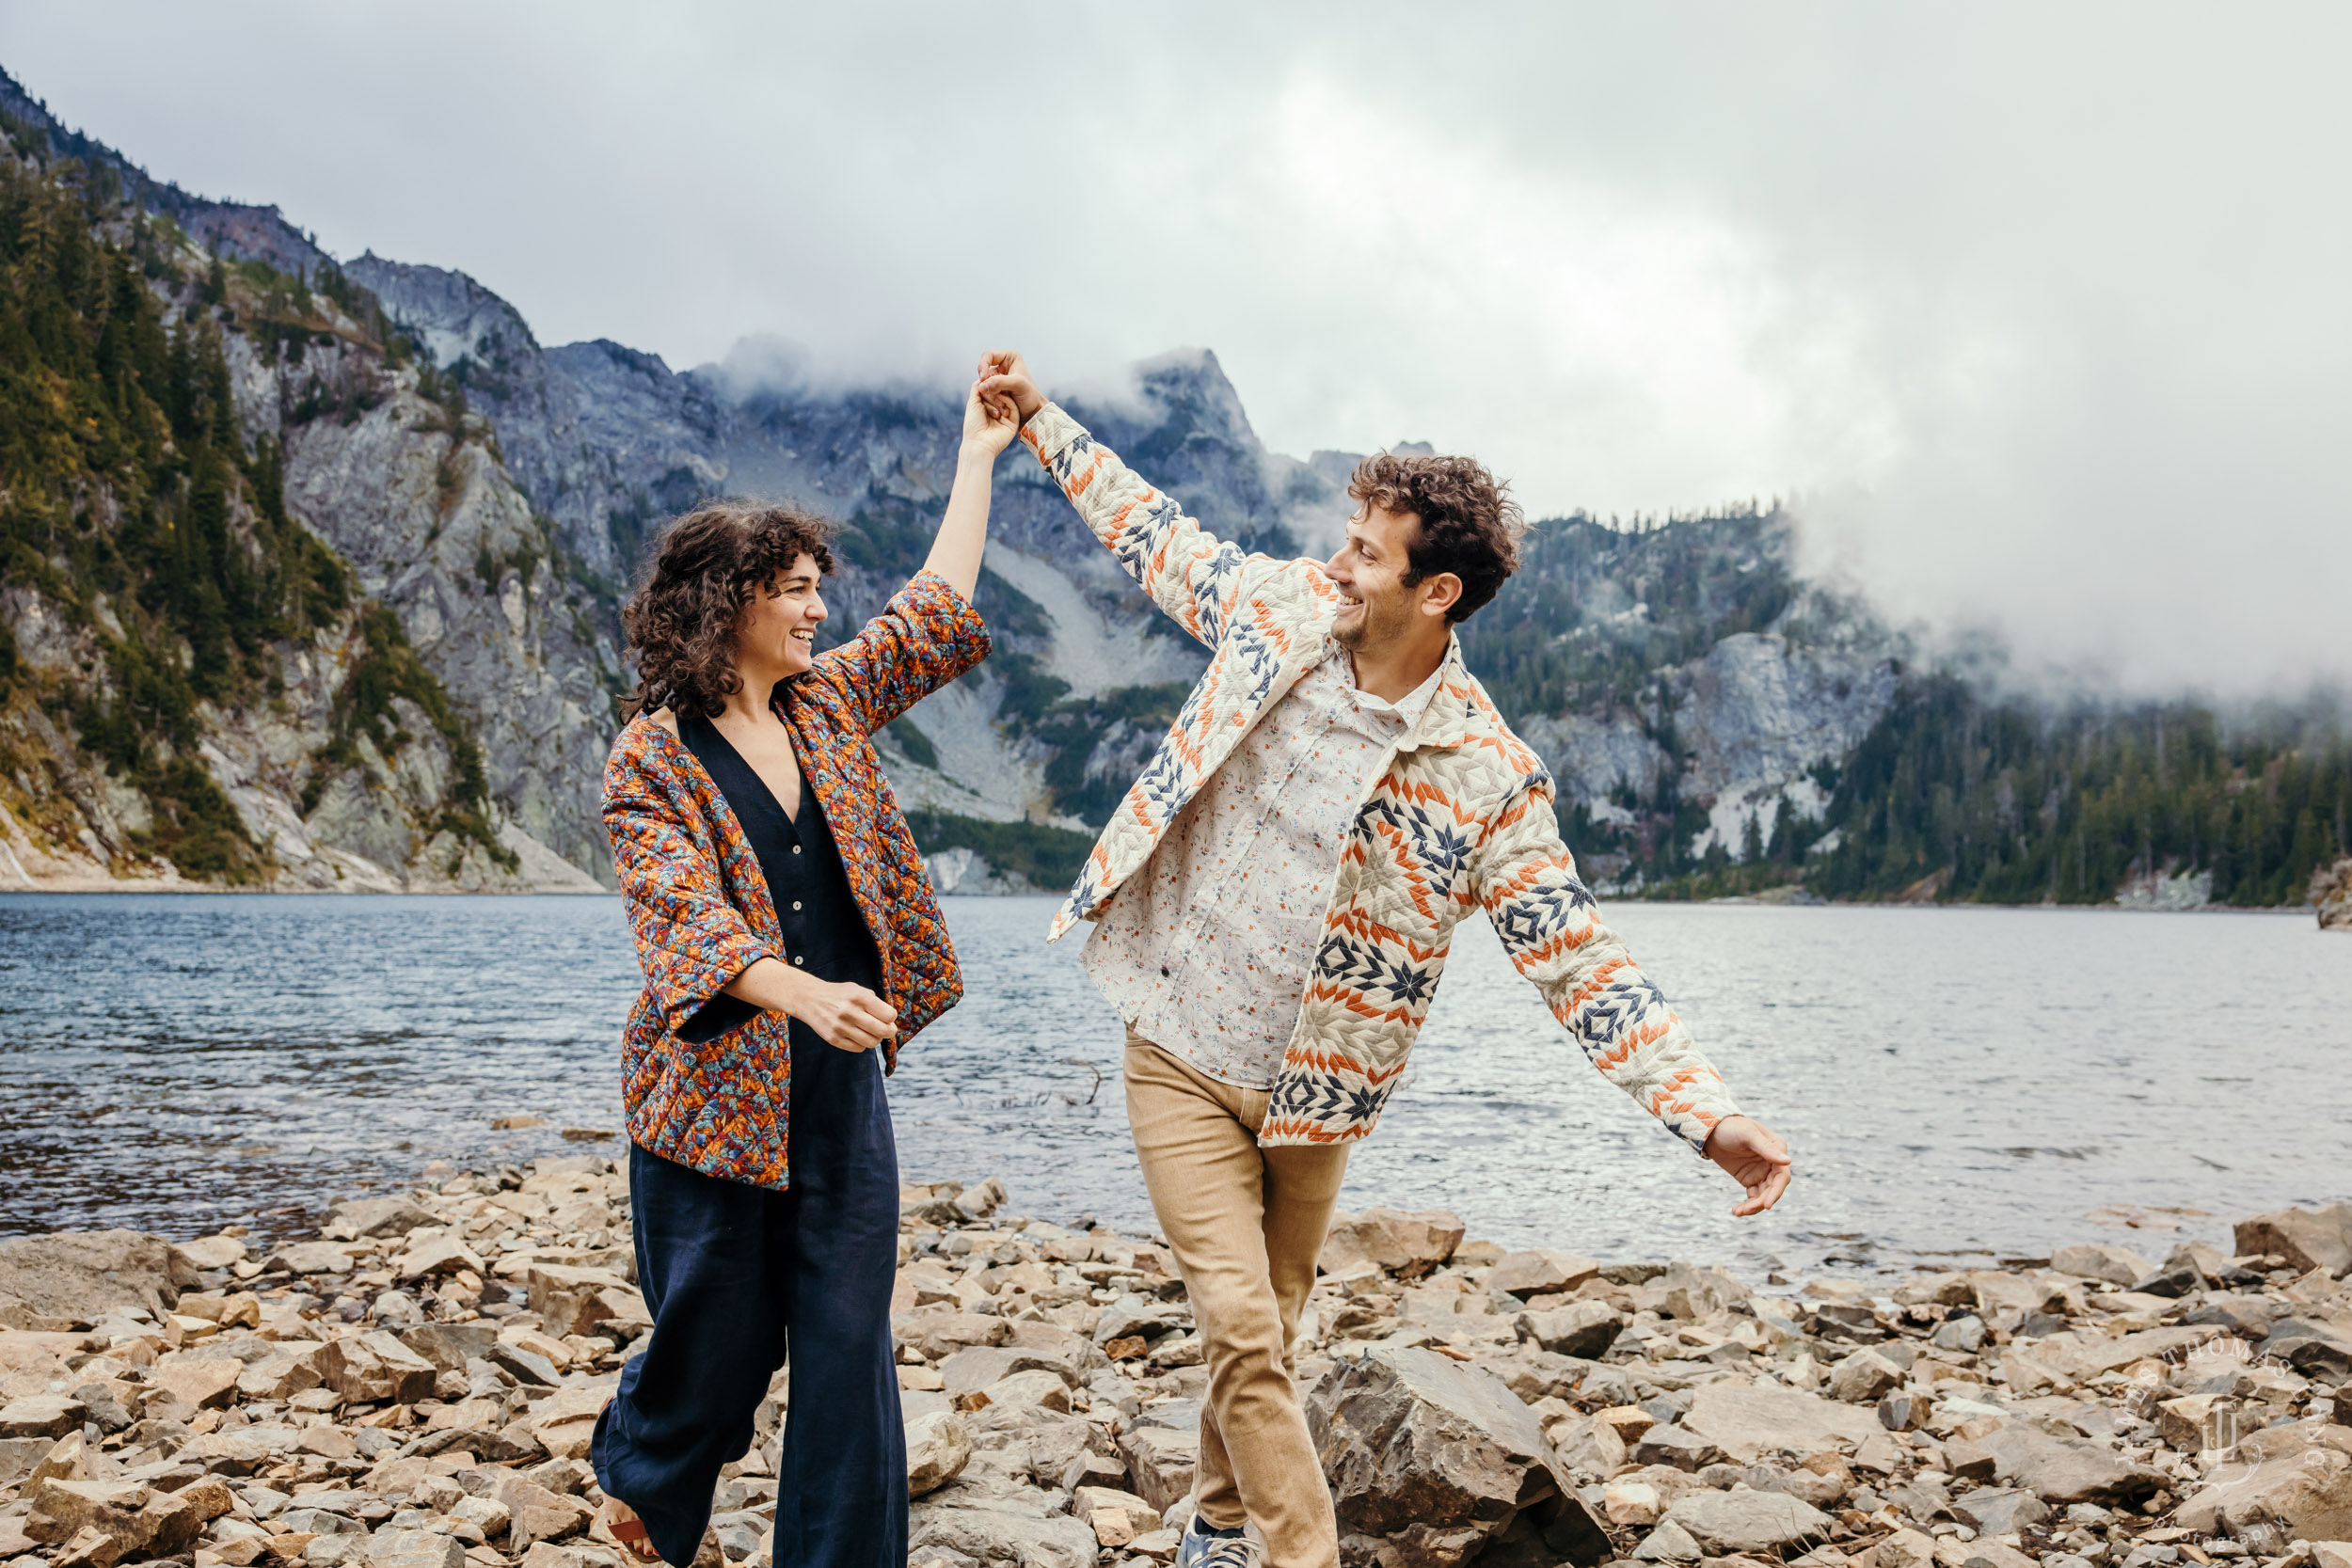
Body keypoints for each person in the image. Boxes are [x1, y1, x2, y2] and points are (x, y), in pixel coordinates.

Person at [976, 351, 1795, 1568]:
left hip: (1317, 1095)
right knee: (1244, 1328)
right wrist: (1039, 420)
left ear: (1440, 590)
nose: (1337, 563)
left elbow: (1577, 953)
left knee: (1277, 1320)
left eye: (1367, 551)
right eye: (1347, 535)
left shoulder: (1485, 776)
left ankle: (1210, 1523)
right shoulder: (1277, 616)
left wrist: (1709, 1113)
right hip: (1179, 1041)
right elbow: (1155, 534)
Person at [587, 380, 1018, 1567]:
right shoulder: (651, 758)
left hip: (836, 1095)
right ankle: (643, 1468)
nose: (820, 610)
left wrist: (978, 455)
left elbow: (932, 612)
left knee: (843, 1345)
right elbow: (678, 914)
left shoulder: (828, 705)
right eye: (796, 591)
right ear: (728, 606)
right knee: (714, 1340)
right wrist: (801, 990)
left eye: (819, 588)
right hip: (710, 1097)